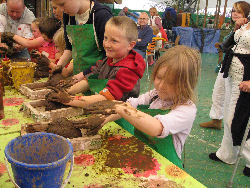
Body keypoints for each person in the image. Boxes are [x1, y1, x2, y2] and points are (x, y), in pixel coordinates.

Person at [100, 45, 201, 169]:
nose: (161, 85)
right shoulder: (155, 95)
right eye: (159, 77)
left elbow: (156, 128)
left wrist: (122, 109)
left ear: (186, 85)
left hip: (166, 166)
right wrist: (104, 119)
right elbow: (132, 104)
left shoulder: (186, 110)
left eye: (170, 82)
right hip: (142, 154)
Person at [49, 16, 145, 107]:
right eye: (105, 38)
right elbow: (90, 80)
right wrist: (68, 91)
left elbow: (106, 98)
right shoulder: (108, 60)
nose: (107, 44)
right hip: (104, 107)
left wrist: (69, 100)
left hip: (121, 117)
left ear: (130, 45)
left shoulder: (128, 71)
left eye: (114, 41)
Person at [208, 1, 250, 177]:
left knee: (238, 119)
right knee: (228, 114)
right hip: (232, 73)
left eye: (237, 11)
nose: (234, 13)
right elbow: (229, 45)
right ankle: (227, 154)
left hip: (245, 79)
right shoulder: (244, 25)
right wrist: (237, 27)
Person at [200, 1, 249, 129]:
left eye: (239, 11)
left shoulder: (246, 29)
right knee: (218, 91)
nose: (235, 14)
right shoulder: (236, 27)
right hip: (226, 64)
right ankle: (216, 119)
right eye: (233, 11)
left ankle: (228, 124)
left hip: (238, 67)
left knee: (230, 97)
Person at [50, 0, 113, 77]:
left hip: (100, 76)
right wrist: (58, 67)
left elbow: (109, 57)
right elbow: (70, 48)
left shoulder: (101, 15)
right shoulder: (68, 16)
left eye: (62, 4)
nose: (61, 10)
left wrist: (83, 75)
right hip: (78, 74)